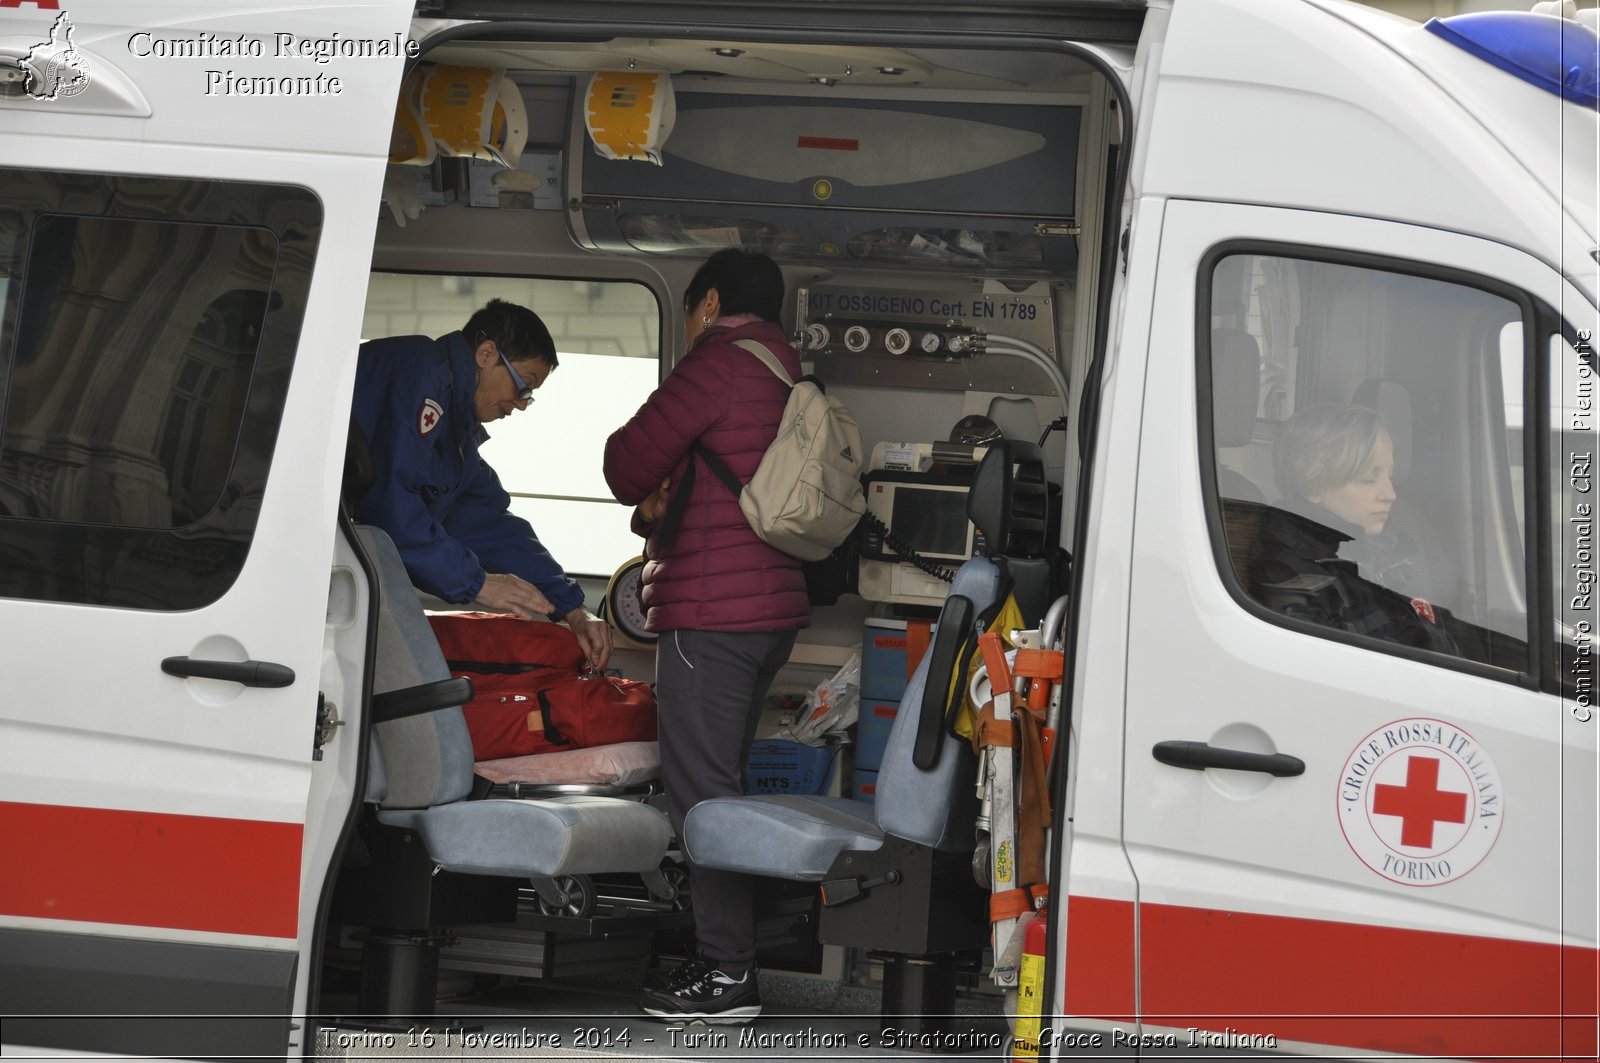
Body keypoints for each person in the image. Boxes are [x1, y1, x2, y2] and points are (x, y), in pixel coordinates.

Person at [602, 249, 810, 1024]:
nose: (689, 329)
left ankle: (726, 974)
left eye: (690, 313)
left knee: (703, 798)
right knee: (723, 782)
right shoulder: (788, 372)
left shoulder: (717, 362)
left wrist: (652, 486)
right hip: (771, 616)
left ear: (711, 303)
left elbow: (626, 463)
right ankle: (727, 957)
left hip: (710, 617)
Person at [353, 298, 612, 670]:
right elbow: (391, 508)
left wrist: (574, 608)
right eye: (524, 386)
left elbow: (491, 526)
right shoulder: (422, 374)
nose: (522, 404)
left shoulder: (457, 436)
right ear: (487, 353)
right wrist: (479, 583)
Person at [1252, 402, 1454, 654]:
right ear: (1313, 485)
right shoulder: (1291, 579)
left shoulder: (1390, 552)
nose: (1390, 494)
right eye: (1368, 479)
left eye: (1389, 476)